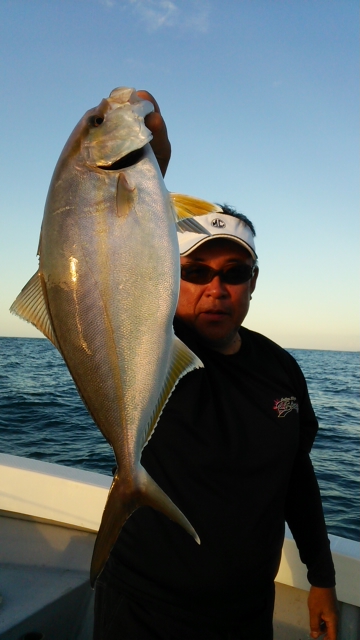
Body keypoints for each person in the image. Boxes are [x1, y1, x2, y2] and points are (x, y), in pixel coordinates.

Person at [93, 92, 338, 640]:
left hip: (246, 613)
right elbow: (117, 249)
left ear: (253, 282)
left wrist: (322, 578)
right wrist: (143, 159)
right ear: (168, 278)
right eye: (196, 272)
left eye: (235, 271)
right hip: (143, 608)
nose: (217, 288)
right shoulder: (149, 345)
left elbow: (297, 477)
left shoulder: (280, 368)